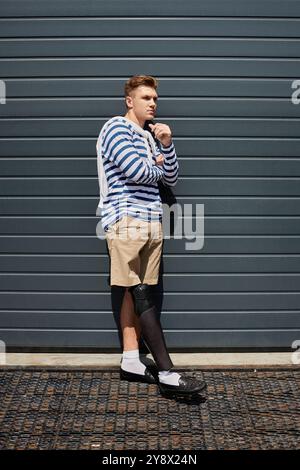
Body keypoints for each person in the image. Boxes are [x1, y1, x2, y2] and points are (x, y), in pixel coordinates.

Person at [96, 75, 206, 396]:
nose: (153, 104)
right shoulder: (116, 128)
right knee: (140, 291)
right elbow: (136, 171)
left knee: (136, 292)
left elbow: (170, 176)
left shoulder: (149, 136)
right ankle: (168, 372)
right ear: (130, 101)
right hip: (126, 219)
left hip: (152, 221)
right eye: (146, 98)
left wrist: (166, 146)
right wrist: (155, 164)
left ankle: (131, 359)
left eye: (155, 99)